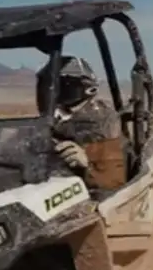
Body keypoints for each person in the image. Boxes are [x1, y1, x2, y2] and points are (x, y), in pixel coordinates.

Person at [36, 56, 128, 191]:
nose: (49, 93)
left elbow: (113, 182)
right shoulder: (55, 119)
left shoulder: (103, 123)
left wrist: (85, 163)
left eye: (57, 87)